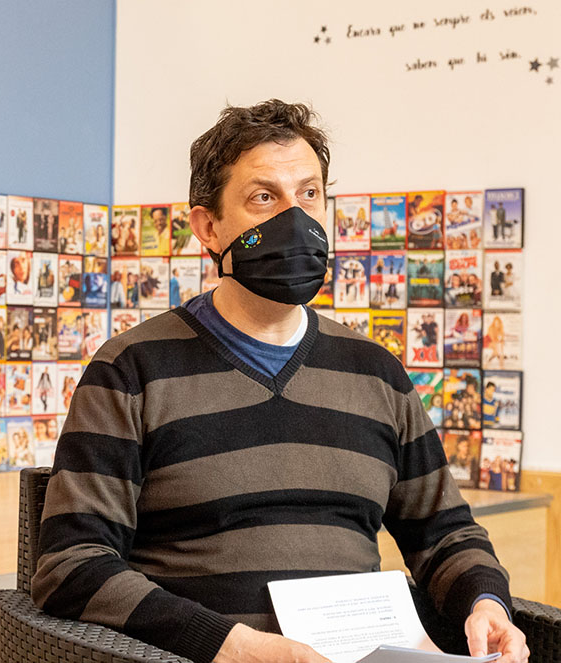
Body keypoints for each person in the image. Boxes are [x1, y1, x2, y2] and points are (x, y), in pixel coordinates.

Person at [32, 100, 527, 663]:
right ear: (208, 227)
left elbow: (445, 534)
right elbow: (71, 565)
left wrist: (485, 604)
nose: (295, 217)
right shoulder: (131, 370)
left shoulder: (376, 373)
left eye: (309, 193)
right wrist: (229, 645)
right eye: (264, 197)